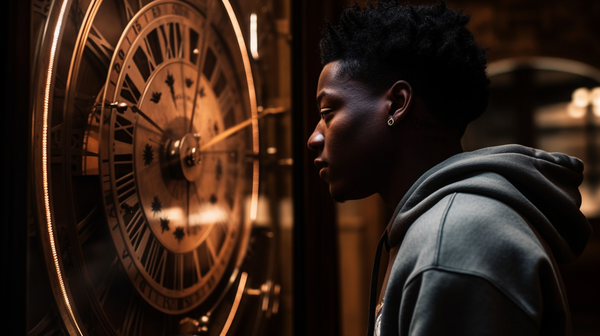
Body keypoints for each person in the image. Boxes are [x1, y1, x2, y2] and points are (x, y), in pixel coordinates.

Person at [306, 1, 592, 335]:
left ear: (397, 104)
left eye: (328, 113)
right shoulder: (443, 225)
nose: (314, 137)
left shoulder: (454, 240)